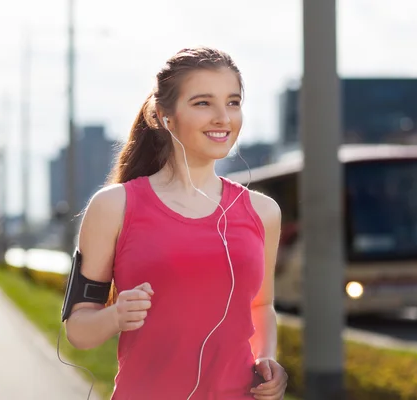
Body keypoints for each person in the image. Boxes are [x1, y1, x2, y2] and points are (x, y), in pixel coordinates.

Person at [65, 46, 288, 400]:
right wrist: (115, 316)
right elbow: (77, 330)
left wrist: (266, 358)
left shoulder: (263, 212)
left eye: (233, 102)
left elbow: (261, 307)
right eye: (203, 103)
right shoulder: (114, 206)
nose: (223, 118)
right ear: (162, 116)